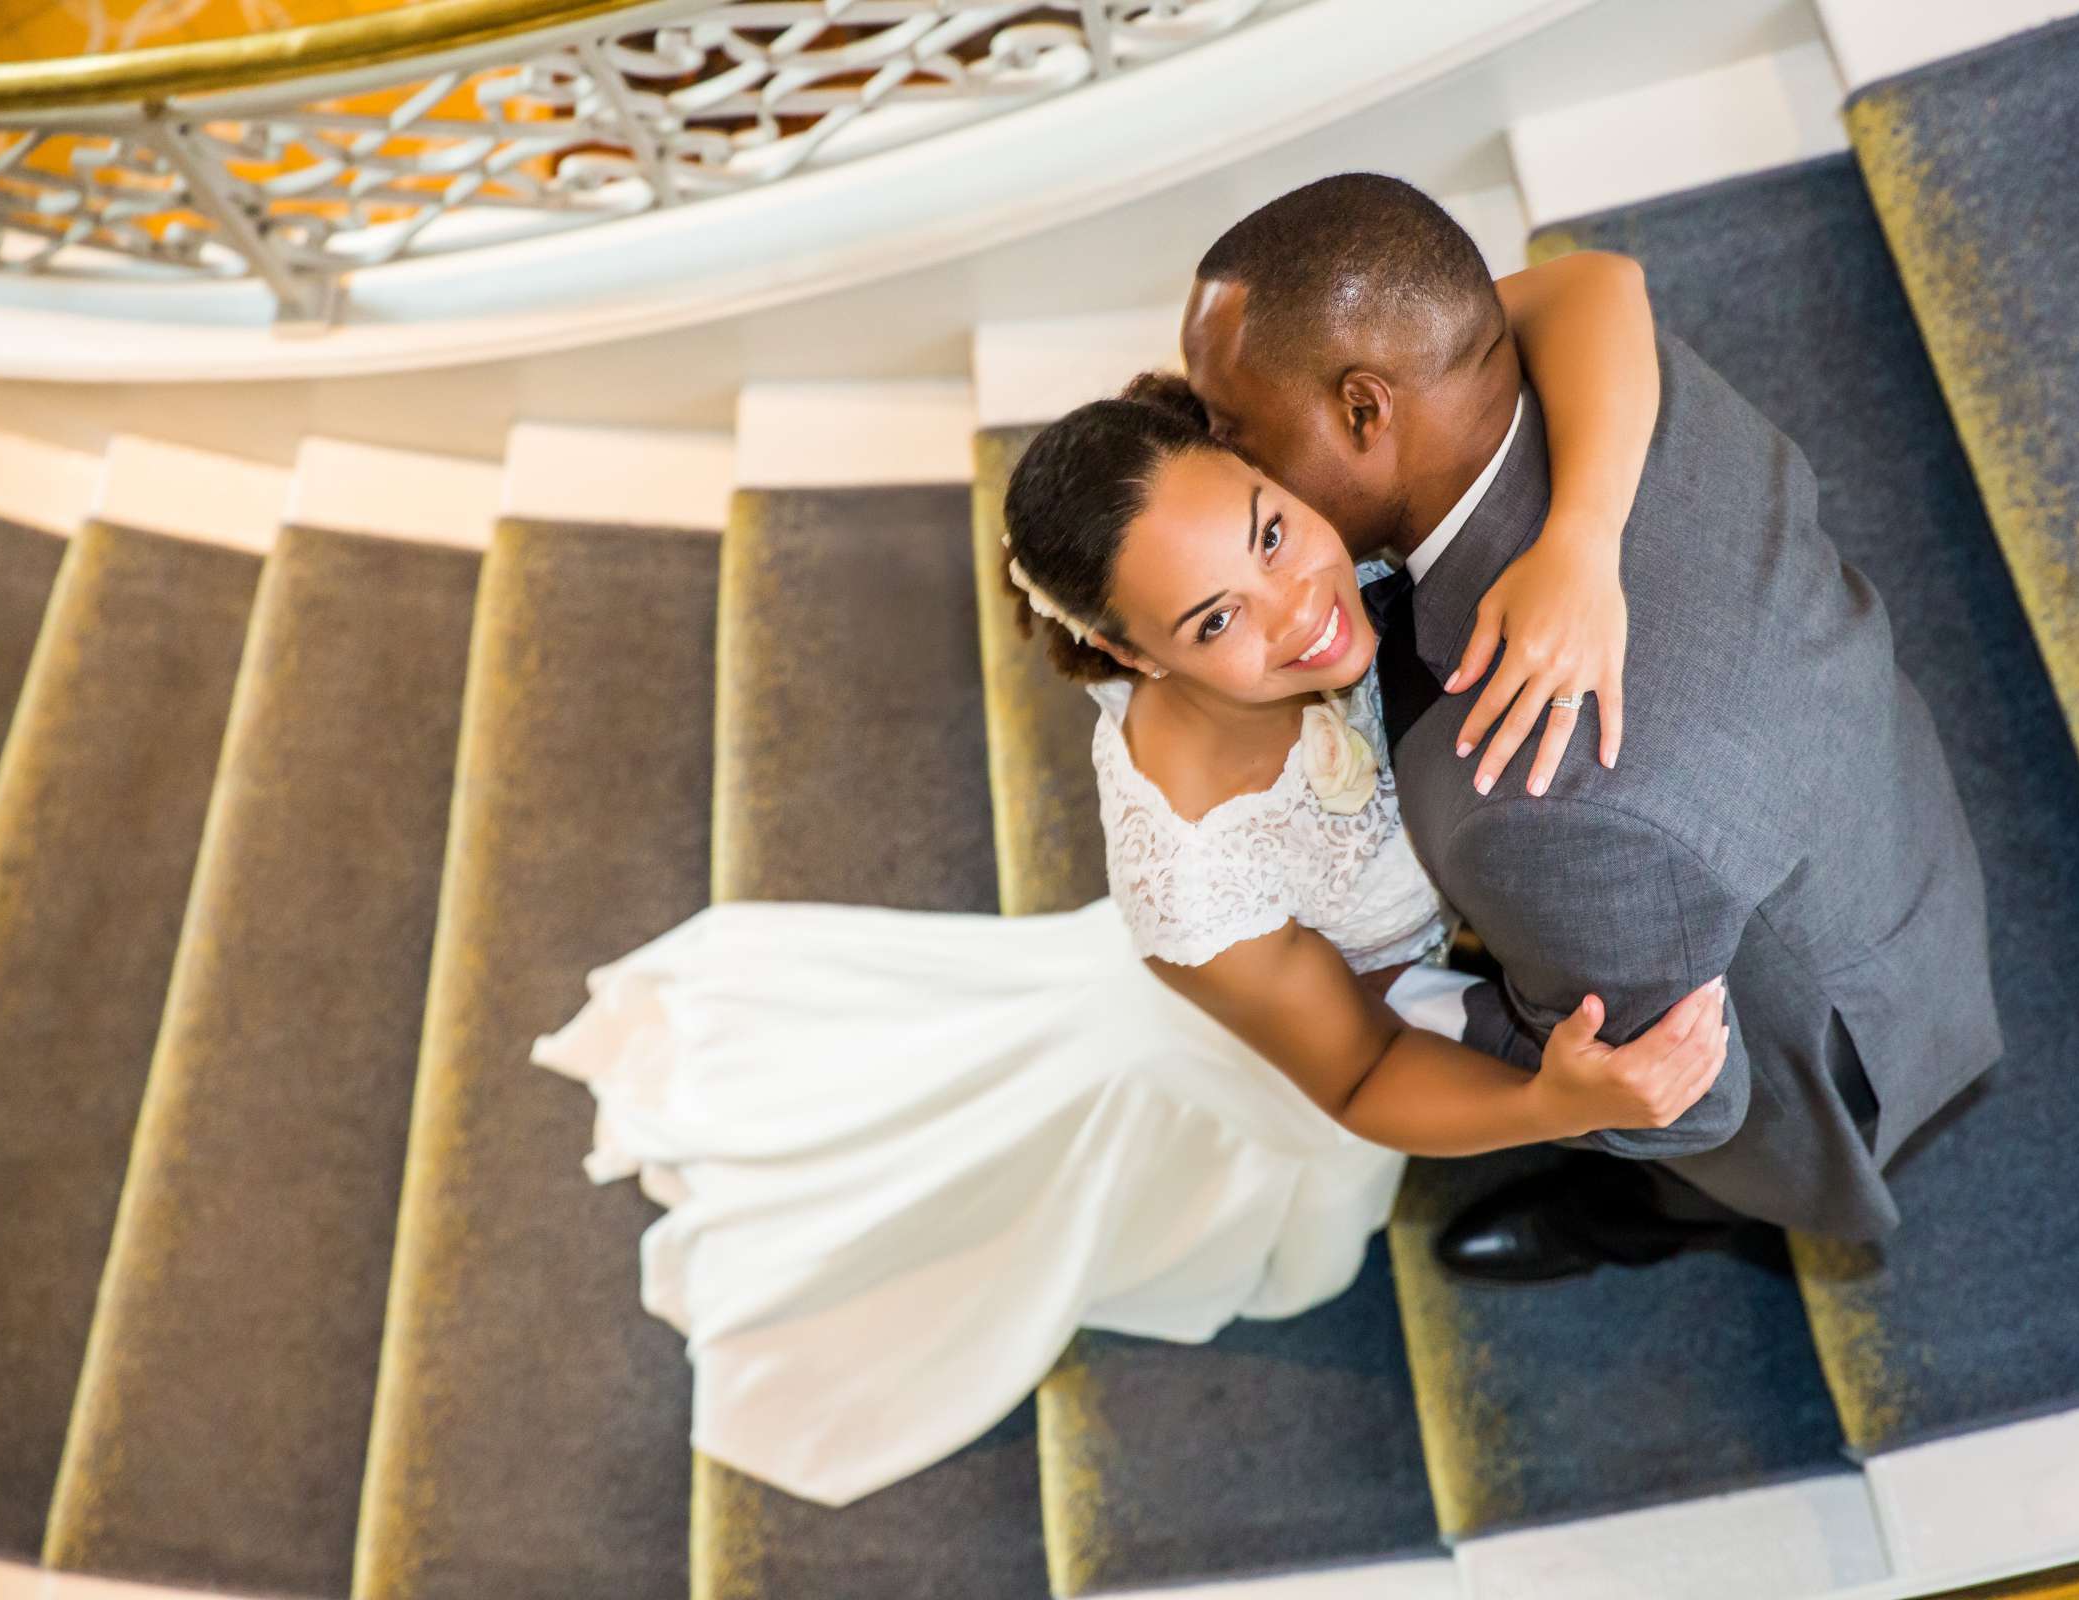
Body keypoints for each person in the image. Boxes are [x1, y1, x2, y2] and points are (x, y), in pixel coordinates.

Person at [527, 240, 1713, 1508]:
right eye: (1213, 621)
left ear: (1258, 464)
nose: (1296, 609)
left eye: (1269, 532)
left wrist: (1581, 542)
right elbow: (1361, 1069)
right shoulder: (1191, 882)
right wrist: (1554, 1106)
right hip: (1274, 1031)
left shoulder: (1312, 478)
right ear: (1130, 655)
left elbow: (1595, 287)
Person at [1179, 173, 2005, 1282]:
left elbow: (1677, 1101)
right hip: (1873, 803)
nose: (1225, 462)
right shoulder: (1620, 384)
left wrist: (1419, 999)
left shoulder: (1535, 801)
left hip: (1799, 1024)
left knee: (1678, 1157)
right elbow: (1591, 285)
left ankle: (1659, 1220)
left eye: (1236, 429)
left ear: (1367, 409)